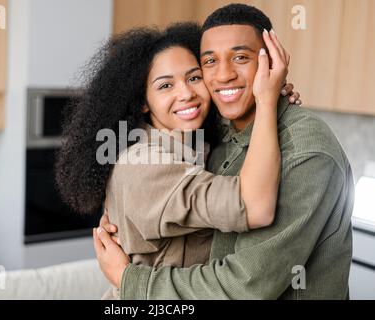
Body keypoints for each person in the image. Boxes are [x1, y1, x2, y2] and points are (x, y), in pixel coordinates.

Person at [95, 3, 354, 300]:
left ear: (270, 62)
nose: (223, 75)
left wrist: (130, 279)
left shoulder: (305, 152)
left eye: (240, 57)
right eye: (210, 62)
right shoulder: (213, 145)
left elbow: (246, 285)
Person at [56, 21, 296, 299]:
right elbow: (254, 208)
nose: (186, 94)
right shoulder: (147, 165)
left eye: (194, 78)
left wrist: (267, 103)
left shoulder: (192, 145)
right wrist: (266, 104)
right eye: (165, 85)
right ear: (143, 102)